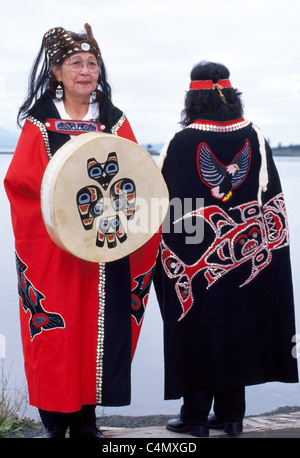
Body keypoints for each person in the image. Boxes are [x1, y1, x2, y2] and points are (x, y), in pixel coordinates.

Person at [4, 24, 159, 438]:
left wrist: (128, 223)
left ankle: (87, 420)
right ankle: (56, 421)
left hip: (105, 248)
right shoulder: (40, 125)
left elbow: (136, 177)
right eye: (76, 63)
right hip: (54, 251)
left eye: (92, 63)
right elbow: (21, 187)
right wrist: (61, 226)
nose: (86, 71)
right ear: (56, 71)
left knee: (98, 331)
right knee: (58, 332)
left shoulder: (112, 120)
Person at [154, 61, 298, 437]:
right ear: (231, 95)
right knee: (240, 328)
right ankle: (233, 416)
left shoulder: (182, 142)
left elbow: (168, 210)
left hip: (199, 256)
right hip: (248, 255)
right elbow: (274, 208)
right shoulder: (257, 138)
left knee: (199, 329)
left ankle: (196, 418)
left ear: (192, 97)